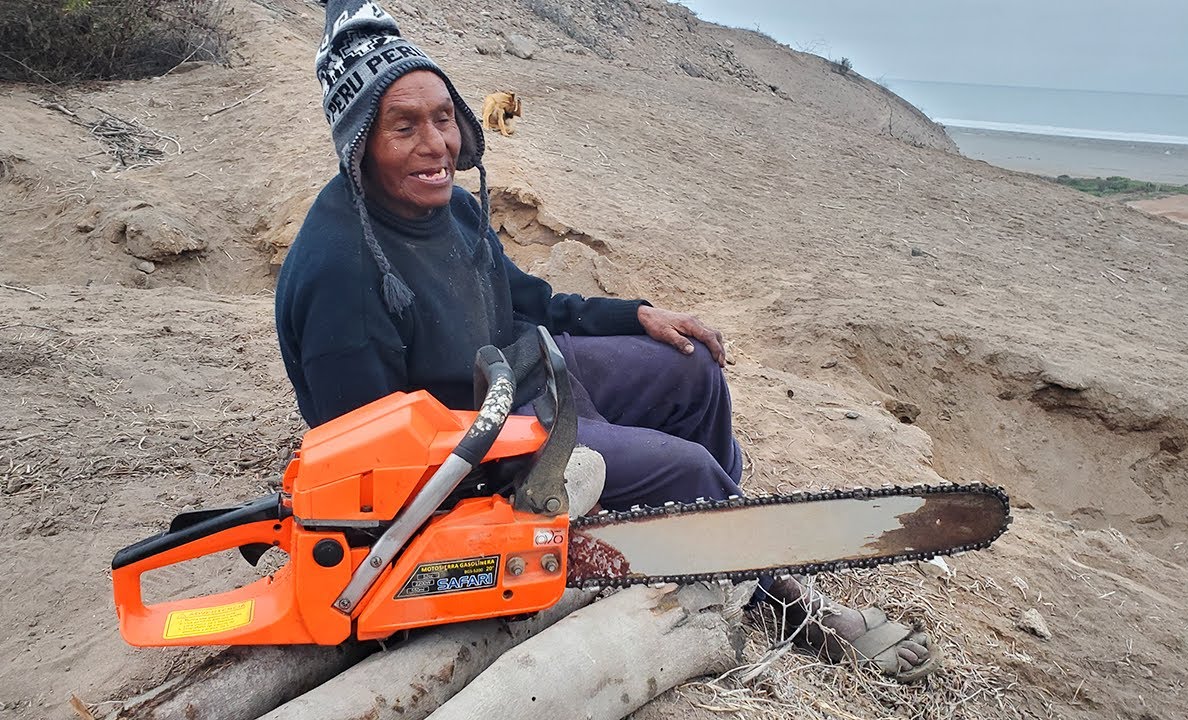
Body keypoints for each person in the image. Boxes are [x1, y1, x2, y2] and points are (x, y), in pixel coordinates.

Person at [274, 0, 938, 683]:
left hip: (532, 379)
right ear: (358, 144)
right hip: (477, 450)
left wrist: (640, 314)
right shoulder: (342, 275)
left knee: (693, 371)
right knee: (686, 472)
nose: (436, 145)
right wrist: (527, 448)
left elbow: (530, 301)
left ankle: (716, 537)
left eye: (443, 118)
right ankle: (785, 596)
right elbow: (370, 463)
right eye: (403, 127)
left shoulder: (451, 206)